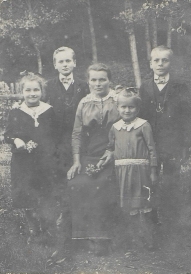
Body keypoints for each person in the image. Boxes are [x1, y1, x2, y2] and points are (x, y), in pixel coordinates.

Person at [4, 73, 71, 268]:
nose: (32, 93)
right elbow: (8, 134)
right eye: (28, 90)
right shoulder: (16, 112)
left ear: (42, 91)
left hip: (46, 163)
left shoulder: (49, 111)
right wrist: (16, 140)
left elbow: (58, 136)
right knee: (26, 195)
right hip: (24, 164)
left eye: (36, 90)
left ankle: (48, 231)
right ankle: (34, 231)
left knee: (47, 195)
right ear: (21, 92)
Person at [67, 63, 120, 255]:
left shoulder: (117, 100)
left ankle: (102, 239)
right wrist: (76, 161)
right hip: (89, 155)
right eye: (94, 80)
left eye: (102, 79)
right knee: (77, 184)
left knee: (104, 185)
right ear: (88, 81)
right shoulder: (84, 103)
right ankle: (82, 237)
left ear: (109, 80)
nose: (98, 84)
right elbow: (76, 134)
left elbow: (126, 129)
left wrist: (113, 152)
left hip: (114, 154)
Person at [139, 45, 191, 222]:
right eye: (156, 60)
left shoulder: (180, 87)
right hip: (151, 143)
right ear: (150, 64)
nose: (160, 63)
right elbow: (140, 117)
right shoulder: (145, 87)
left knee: (172, 182)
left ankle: (172, 220)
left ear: (170, 62)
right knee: (150, 182)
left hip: (172, 144)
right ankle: (152, 220)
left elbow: (187, 118)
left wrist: (185, 145)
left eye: (165, 60)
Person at [102, 89, 157, 250]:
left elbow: (152, 149)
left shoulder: (143, 125)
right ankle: (133, 239)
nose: (127, 110)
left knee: (144, 204)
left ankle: (149, 239)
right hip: (122, 172)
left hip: (141, 171)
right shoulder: (115, 127)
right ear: (118, 108)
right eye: (123, 107)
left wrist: (153, 171)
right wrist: (103, 160)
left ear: (137, 109)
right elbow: (111, 147)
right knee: (129, 205)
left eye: (131, 107)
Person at [45, 46, 89, 177]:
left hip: (79, 136)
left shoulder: (85, 86)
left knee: (78, 171)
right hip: (56, 137)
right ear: (55, 65)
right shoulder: (47, 86)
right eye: (61, 62)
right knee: (58, 172)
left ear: (74, 63)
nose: (65, 65)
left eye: (68, 61)